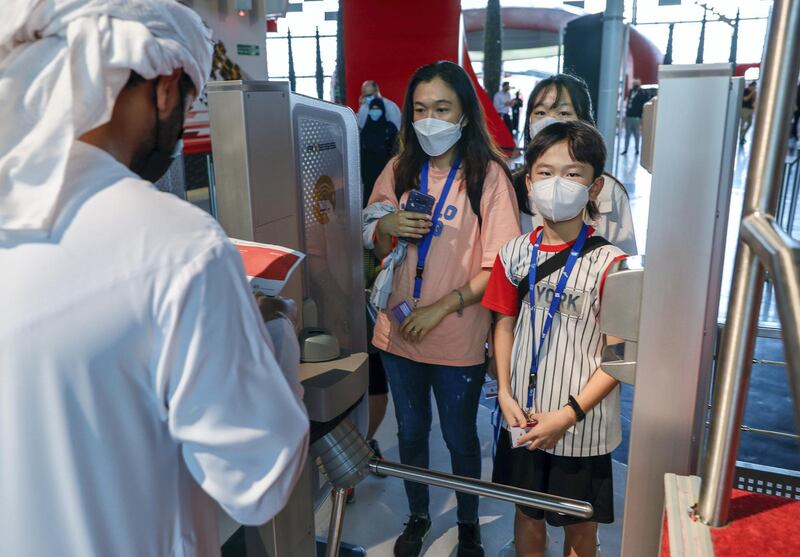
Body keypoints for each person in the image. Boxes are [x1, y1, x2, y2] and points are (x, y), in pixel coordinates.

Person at [0, 2, 309, 555]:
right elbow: (257, 482)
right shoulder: (178, 247)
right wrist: (278, 330)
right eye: (188, 102)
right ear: (165, 88)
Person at [365, 60, 521, 557]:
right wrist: (384, 229)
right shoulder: (400, 168)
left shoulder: (487, 177)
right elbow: (371, 226)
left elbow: (501, 264)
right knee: (410, 431)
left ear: (464, 114)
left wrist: (441, 309)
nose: (428, 118)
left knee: (459, 436)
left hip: (455, 333)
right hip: (398, 328)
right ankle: (417, 514)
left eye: (441, 108)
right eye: (419, 109)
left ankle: (470, 519)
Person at [483, 120, 627, 557]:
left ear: (595, 185)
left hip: (581, 426)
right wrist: (505, 392)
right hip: (524, 417)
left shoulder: (611, 264)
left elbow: (617, 356)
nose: (556, 184)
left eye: (572, 173)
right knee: (528, 514)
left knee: (579, 527)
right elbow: (503, 324)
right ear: (528, 181)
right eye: (545, 173)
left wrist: (567, 414)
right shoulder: (514, 253)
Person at [521, 73, 638, 255]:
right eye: (540, 113)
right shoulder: (513, 187)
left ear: (583, 120)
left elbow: (623, 265)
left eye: (564, 113)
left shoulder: (609, 191)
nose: (550, 121)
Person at [359, 96, 398, 468]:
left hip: (376, 297)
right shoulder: (355, 147)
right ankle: (350, 452)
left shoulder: (391, 154)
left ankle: (365, 443)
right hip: (341, 294)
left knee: (375, 383)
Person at [361, 97, 399, 204]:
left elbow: (396, 148)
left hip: (385, 168)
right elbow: (361, 151)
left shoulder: (390, 127)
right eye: (372, 108)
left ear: (382, 109)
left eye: (377, 108)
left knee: (386, 196)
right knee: (369, 197)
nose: (374, 111)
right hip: (369, 171)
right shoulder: (366, 129)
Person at [622, 79, 647, 155]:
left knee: (636, 134)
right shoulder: (631, 91)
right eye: (634, 83)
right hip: (629, 116)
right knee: (627, 134)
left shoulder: (642, 93)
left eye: (636, 83)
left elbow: (643, 104)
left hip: (636, 117)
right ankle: (625, 149)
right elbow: (628, 101)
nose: (635, 84)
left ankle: (637, 149)